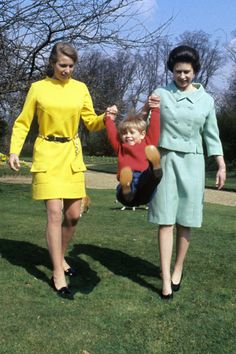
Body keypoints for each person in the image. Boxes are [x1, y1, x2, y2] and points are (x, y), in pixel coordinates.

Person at [9, 42, 117, 299]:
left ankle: (60, 257)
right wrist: (14, 150)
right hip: (46, 153)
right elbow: (23, 122)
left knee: (73, 215)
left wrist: (106, 117)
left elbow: (90, 123)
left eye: (71, 66)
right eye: (62, 65)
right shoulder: (38, 88)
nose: (67, 70)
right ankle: (58, 272)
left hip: (71, 155)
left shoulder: (80, 89)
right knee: (54, 213)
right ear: (52, 63)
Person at [147, 45, 226, 300]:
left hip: (193, 162)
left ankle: (177, 269)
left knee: (186, 220)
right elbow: (143, 125)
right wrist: (145, 110)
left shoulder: (206, 100)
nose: (183, 76)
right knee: (166, 219)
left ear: (195, 71)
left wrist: (221, 164)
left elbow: (211, 135)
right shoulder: (160, 94)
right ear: (172, 71)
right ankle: (165, 279)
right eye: (178, 72)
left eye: (187, 72)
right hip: (165, 160)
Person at [105, 97, 162, 208]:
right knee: (127, 182)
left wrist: (155, 109)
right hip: (127, 192)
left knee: (150, 179)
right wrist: (109, 118)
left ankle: (155, 169)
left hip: (143, 181)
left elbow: (154, 127)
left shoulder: (148, 143)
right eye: (124, 133)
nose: (128, 136)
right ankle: (127, 186)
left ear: (142, 134)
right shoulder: (120, 146)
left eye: (131, 132)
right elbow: (112, 133)